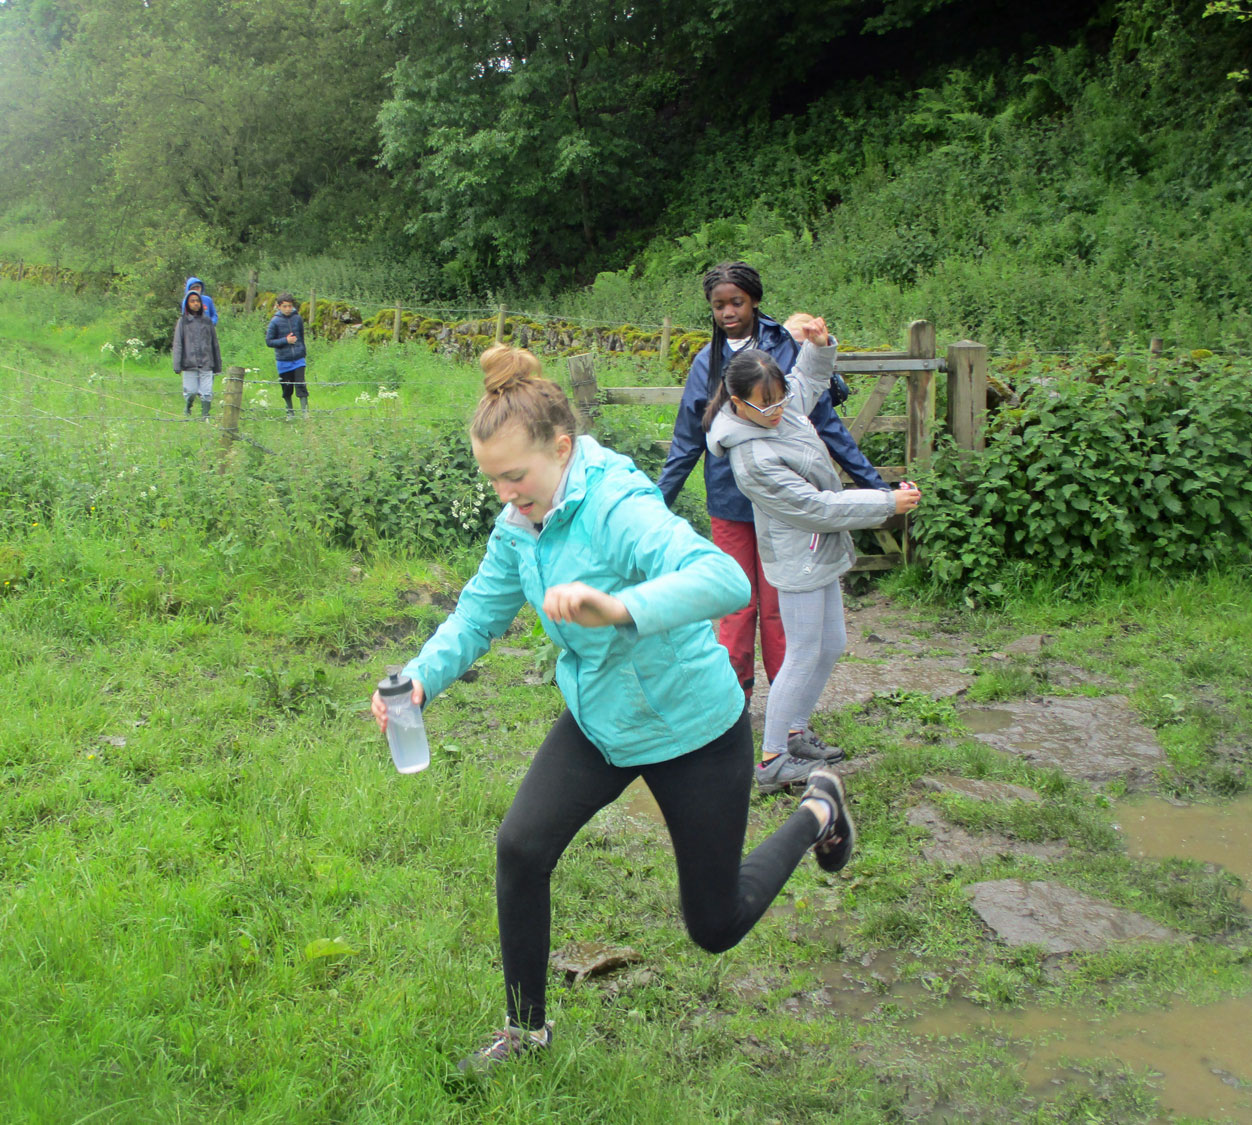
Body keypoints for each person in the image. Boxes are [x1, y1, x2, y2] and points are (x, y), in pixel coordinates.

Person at [370, 343, 855, 1077]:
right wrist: (418, 678)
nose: (506, 493)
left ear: (561, 448)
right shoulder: (521, 523)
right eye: (493, 480)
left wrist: (618, 606)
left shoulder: (617, 505)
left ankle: (819, 809)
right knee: (521, 848)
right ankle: (527, 1032)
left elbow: (723, 579)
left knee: (715, 924)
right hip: (600, 721)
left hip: (691, 727)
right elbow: (477, 612)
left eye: (516, 476)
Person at [656, 262, 889, 775]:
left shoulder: (785, 345)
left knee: (786, 614)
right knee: (735, 611)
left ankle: (789, 730)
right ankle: (730, 722)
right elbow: (686, 441)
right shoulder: (705, 362)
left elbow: (820, 414)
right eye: (719, 306)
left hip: (788, 507)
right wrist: (655, 505)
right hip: (735, 506)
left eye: (736, 303)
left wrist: (873, 485)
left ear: (754, 301)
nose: (728, 313)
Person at [707, 315, 922, 793]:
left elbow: (806, 382)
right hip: (799, 555)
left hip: (817, 549)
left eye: (780, 395)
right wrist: (887, 502)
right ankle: (771, 761)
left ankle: (795, 732)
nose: (779, 407)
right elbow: (815, 507)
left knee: (831, 644)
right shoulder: (752, 457)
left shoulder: (779, 410)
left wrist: (820, 347)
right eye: (766, 403)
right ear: (738, 404)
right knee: (803, 653)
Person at [171, 290, 221, 420]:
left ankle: (205, 415)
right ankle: (188, 406)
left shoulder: (207, 321)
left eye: (197, 301)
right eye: (192, 301)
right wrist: (177, 364)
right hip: (189, 363)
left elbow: (214, 343)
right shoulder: (182, 322)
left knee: (207, 392)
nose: (195, 304)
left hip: (206, 362)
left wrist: (217, 365)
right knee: (191, 391)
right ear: (187, 304)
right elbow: (178, 344)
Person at [265, 293, 308, 419]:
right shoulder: (274, 322)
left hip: (299, 358)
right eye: (285, 306)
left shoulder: (298, 319)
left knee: (301, 384)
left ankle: (305, 413)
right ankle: (290, 412)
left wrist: (302, 351)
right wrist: (285, 340)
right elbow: (269, 341)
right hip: (283, 360)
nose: (288, 309)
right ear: (279, 307)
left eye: (290, 306)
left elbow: (301, 336)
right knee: (287, 388)